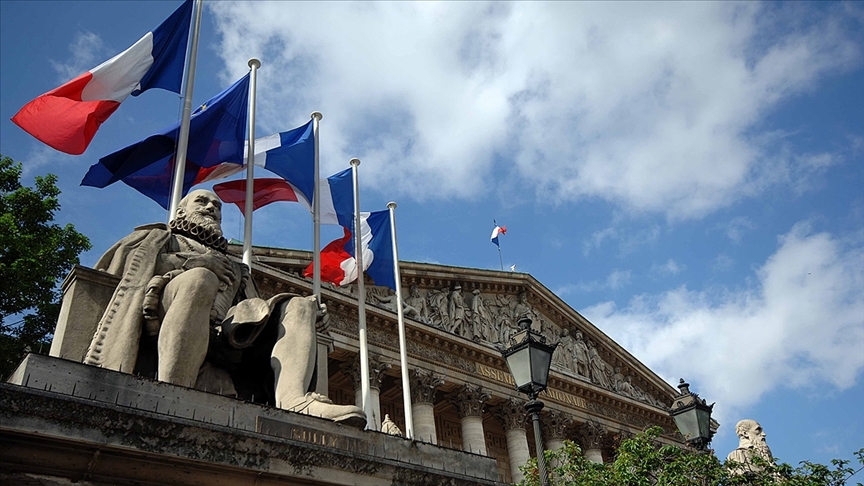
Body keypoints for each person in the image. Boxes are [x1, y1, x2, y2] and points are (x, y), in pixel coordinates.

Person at [82, 189, 364, 427]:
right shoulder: (160, 239)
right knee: (200, 279)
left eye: (216, 206)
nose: (211, 208)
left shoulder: (236, 268)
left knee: (300, 305)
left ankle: (294, 401)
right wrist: (196, 263)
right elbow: (126, 270)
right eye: (202, 202)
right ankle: (173, 393)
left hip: (224, 336)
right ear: (181, 212)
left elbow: (253, 312)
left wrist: (310, 323)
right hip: (162, 314)